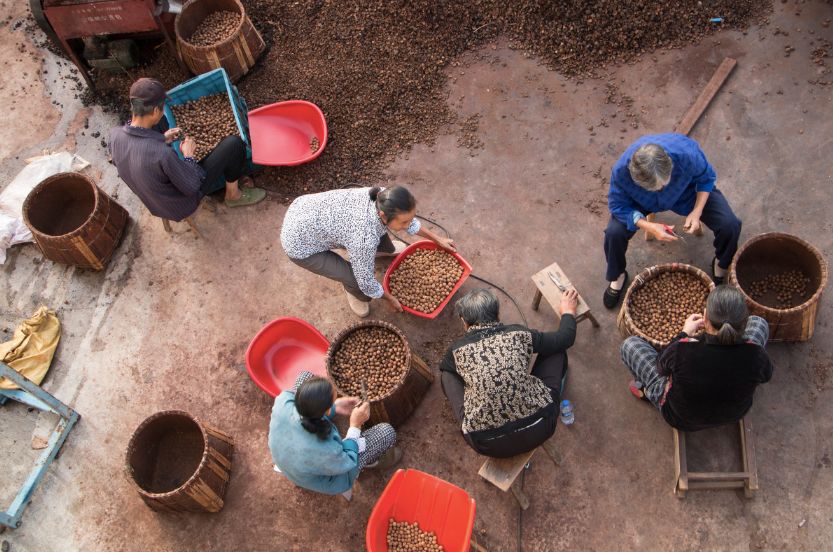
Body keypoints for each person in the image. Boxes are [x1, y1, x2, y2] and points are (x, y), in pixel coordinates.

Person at [602, 133, 742, 309]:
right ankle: (617, 276)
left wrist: (697, 211)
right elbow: (617, 205)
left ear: (670, 164)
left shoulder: (687, 154)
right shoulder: (621, 171)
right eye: (654, 188)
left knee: (730, 225)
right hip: (641, 202)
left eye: (664, 184)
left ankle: (721, 264)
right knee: (613, 233)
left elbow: (705, 179)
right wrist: (648, 225)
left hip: (684, 193)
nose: (660, 189)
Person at [439, 288, 578, 458]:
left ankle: (473, 418)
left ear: (464, 321)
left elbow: (448, 370)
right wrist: (568, 311)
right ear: (497, 314)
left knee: (447, 373)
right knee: (555, 349)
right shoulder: (518, 334)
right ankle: (553, 391)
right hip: (541, 426)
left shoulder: (457, 351)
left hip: (487, 444)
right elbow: (565, 338)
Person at [280, 186, 456, 317]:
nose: (407, 224)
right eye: (403, 223)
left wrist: (437, 239)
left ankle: (380, 250)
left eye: (409, 219)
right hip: (301, 245)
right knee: (355, 278)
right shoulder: (364, 238)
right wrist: (389, 298)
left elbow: (408, 220)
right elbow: (366, 281)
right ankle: (351, 290)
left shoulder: (384, 196)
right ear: (383, 215)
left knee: (374, 241)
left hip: (308, 212)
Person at [109, 77, 265, 223]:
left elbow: (135, 155)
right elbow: (192, 186)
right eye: (162, 108)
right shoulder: (162, 154)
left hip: (153, 199)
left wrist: (162, 138)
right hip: (179, 204)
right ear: (155, 111)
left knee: (160, 125)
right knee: (233, 144)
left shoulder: (114, 135)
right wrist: (188, 156)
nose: (163, 112)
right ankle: (233, 195)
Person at [620, 285, 774, 432]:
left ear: (705, 317)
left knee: (629, 345)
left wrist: (684, 334)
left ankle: (650, 392)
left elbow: (660, 368)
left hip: (681, 419)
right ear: (744, 323)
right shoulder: (757, 355)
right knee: (760, 323)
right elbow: (766, 376)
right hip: (733, 414)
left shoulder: (682, 349)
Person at [268, 371, 401, 496]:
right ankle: (372, 462)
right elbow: (347, 460)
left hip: (285, 457)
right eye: (331, 403)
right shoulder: (326, 448)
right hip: (330, 473)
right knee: (386, 433)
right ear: (324, 411)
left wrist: (335, 406)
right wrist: (355, 426)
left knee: (305, 376)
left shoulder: (283, 400)